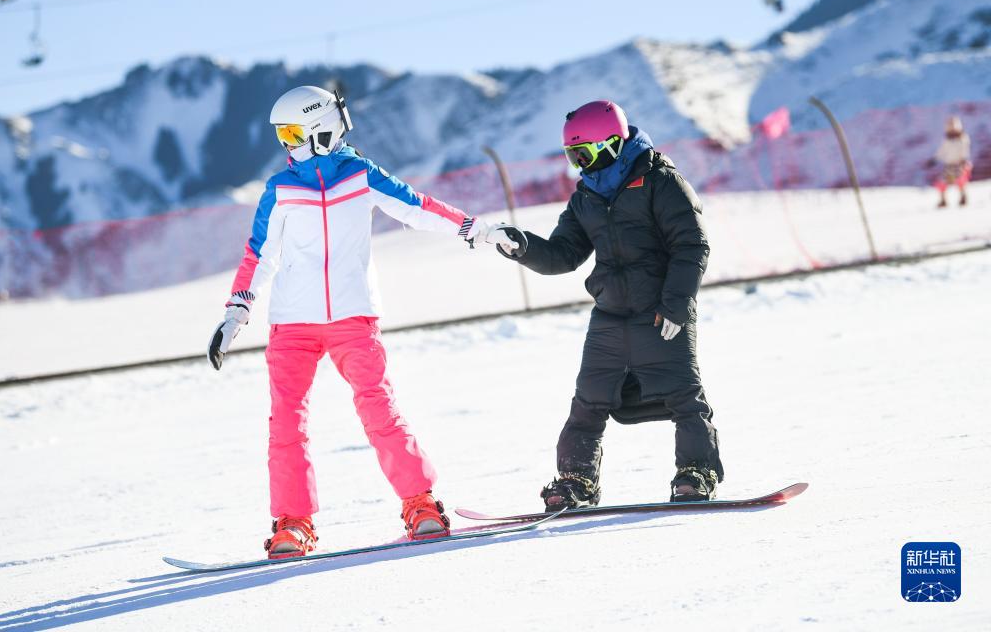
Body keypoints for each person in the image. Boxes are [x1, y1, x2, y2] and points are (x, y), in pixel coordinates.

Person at [208, 86, 510, 558]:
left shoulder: (360, 175)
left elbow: (418, 207)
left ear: (321, 130)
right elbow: (259, 254)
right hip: (293, 323)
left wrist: (477, 230)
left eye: (293, 134)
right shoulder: (281, 189)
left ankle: (420, 504)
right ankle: (293, 523)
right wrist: (236, 311)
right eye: (282, 135)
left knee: (378, 409)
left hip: (353, 317)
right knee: (286, 421)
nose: (286, 144)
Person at [493, 99, 724, 507]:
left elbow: (692, 245)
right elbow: (563, 254)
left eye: (584, 155)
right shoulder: (587, 196)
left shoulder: (660, 181)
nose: (580, 166)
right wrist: (523, 247)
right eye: (573, 158)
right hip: (611, 314)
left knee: (685, 396)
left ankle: (697, 472)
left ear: (612, 144)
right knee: (588, 402)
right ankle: (576, 481)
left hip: (661, 312)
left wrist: (675, 304)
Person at [934, 116, 971, 208]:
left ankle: (963, 197)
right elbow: (941, 152)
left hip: (959, 164)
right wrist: (934, 159)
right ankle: (943, 200)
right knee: (942, 183)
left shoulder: (963, 138)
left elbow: (964, 150)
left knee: (960, 181)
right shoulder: (947, 140)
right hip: (948, 165)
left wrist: (963, 160)